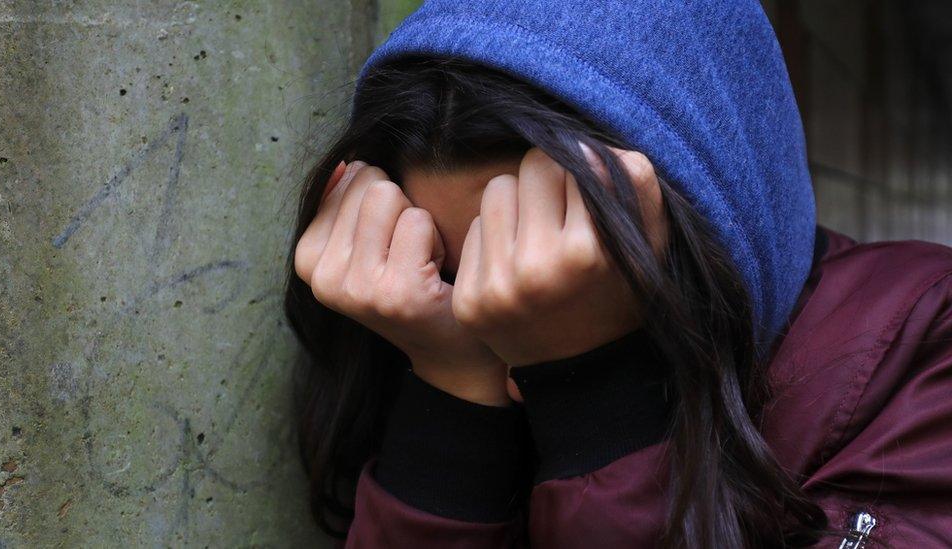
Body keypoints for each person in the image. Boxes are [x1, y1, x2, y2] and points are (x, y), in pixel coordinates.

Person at [282, 1, 952, 547]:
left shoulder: (926, 347)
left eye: (576, 270)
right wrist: (451, 400)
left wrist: (596, 388)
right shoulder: (458, 373)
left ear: (705, 222)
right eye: (459, 279)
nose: (505, 306)